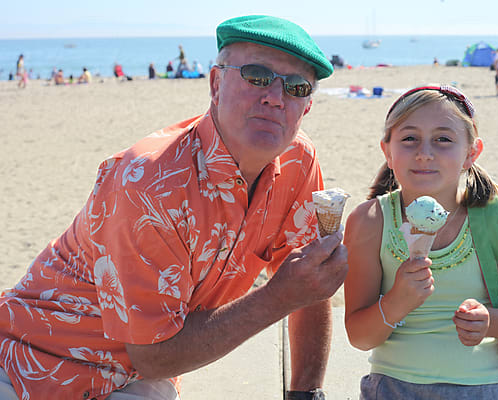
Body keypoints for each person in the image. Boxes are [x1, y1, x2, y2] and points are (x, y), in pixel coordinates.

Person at [0, 14, 346, 400]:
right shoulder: (148, 183)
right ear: (215, 83)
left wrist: (306, 393)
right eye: (257, 76)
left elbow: (310, 285)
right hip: (31, 357)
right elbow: (154, 355)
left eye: (297, 87)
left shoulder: (298, 161)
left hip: (134, 375)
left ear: (307, 108)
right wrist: (279, 296)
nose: (275, 97)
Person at [343, 85, 498, 400]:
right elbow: (360, 336)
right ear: (387, 151)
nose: (424, 153)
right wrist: (397, 301)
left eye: (443, 139)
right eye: (409, 138)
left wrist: (491, 322)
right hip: (391, 388)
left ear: (471, 152)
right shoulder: (369, 221)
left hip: (481, 389)